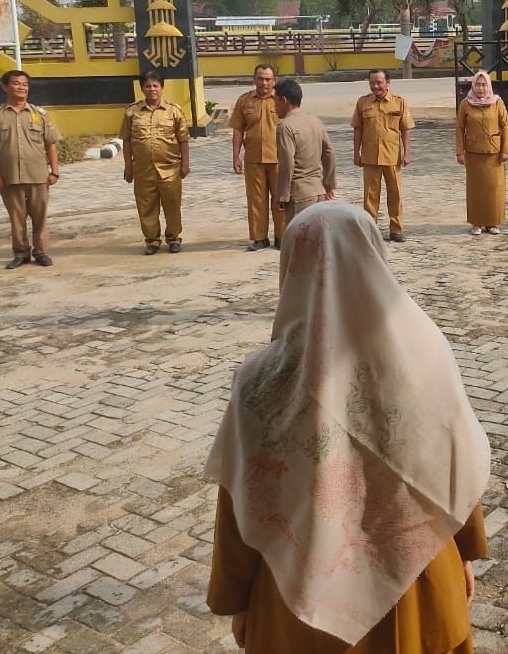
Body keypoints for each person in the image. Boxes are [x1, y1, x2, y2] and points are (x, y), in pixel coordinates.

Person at [205, 205, 491, 654]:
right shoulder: (425, 355)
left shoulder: (259, 381)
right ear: (374, 259)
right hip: (420, 581)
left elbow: (243, 499)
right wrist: (465, 549)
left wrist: (237, 597)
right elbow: (451, 457)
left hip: (296, 603)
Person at [0, 69, 62, 269]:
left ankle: (41, 252)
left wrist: (55, 171)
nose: (21, 87)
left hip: (38, 175)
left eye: (24, 84)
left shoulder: (40, 114)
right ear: (5, 87)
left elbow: (51, 144)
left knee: (40, 216)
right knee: (16, 218)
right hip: (9, 177)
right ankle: (21, 253)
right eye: (16, 83)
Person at [120, 71, 191, 253]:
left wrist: (185, 164)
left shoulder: (174, 111)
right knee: (146, 207)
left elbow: (183, 139)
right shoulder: (132, 112)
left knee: (172, 206)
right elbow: (126, 140)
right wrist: (128, 166)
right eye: (148, 86)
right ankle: (151, 240)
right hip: (143, 170)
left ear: (162, 88)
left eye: (155, 85)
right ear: (142, 88)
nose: (152, 89)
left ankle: (174, 238)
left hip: (170, 169)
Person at [352, 69, 415, 243]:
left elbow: (405, 129)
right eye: (372, 82)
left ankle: (396, 229)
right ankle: (370, 229)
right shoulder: (362, 103)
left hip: (392, 157)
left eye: (379, 82)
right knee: (370, 196)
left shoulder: (399, 103)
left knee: (395, 194)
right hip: (370, 157)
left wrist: (406, 153)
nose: (376, 86)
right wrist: (356, 153)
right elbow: (358, 129)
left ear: (388, 82)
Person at [231, 64, 285, 252]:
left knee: (281, 199)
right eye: (260, 78)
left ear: (274, 81)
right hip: (253, 158)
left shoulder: (282, 99)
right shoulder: (244, 101)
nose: (264, 82)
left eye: (268, 79)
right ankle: (259, 238)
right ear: (254, 79)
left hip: (279, 159)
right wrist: (236, 156)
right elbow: (238, 129)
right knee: (256, 200)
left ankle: (282, 236)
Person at [273, 79, 336, 229]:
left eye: (275, 102)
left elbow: (287, 163)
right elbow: (329, 153)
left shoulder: (285, 127)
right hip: (318, 190)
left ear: (284, 100)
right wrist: (329, 184)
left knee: (300, 242)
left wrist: (282, 195)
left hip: (299, 194)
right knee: (317, 239)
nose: (274, 107)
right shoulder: (315, 121)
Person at [455, 71, 508, 235]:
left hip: (494, 153)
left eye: (484, 84)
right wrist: (460, 152)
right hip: (473, 153)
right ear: (473, 85)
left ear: (489, 86)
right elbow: (459, 128)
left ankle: (492, 222)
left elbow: (505, 126)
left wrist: (505, 150)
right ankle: (476, 222)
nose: (481, 88)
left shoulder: (497, 102)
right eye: (478, 84)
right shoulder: (466, 103)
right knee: (476, 189)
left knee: (494, 189)